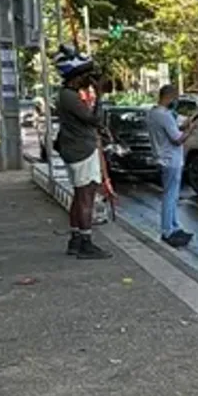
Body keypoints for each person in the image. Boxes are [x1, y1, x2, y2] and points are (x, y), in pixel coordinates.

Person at [54, 45, 111, 260]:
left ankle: (76, 239)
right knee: (86, 197)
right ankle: (86, 242)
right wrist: (99, 96)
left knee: (79, 197)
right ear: (76, 76)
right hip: (82, 151)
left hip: (75, 149)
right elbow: (93, 119)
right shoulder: (69, 96)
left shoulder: (67, 95)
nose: (89, 79)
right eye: (87, 75)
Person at [147, 84, 195, 248]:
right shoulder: (165, 115)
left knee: (172, 195)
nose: (177, 101)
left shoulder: (153, 113)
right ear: (169, 97)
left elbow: (171, 131)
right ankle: (168, 230)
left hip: (163, 158)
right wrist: (190, 130)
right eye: (176, 97)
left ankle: (174, 226)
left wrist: (183, 126)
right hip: (171, 160)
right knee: (170, 196)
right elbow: (177, 139)